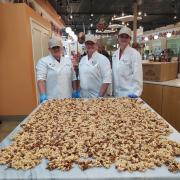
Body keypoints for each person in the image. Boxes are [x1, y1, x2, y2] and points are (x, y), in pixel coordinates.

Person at [36, 37, 77, 103]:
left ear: (61, 48)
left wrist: (75, 90)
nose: (56, 49)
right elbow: (41, 80)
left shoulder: (68, 61)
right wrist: (43, 94)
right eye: (53, 48)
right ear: (49, 49)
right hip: (51, 99)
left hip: (68, 97)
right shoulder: (43, 61)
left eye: (58, 47)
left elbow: (73, 77)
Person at [112, 26, 143, 98]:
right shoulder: (115, 54)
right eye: (121, 36)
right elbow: (114, 74)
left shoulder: (135, 54)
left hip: (129, 94)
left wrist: (136, 93)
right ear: (118, 38)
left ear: (130, 39)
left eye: (126, 37)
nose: (123, 39)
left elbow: (138, 75)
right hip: (116, 93)